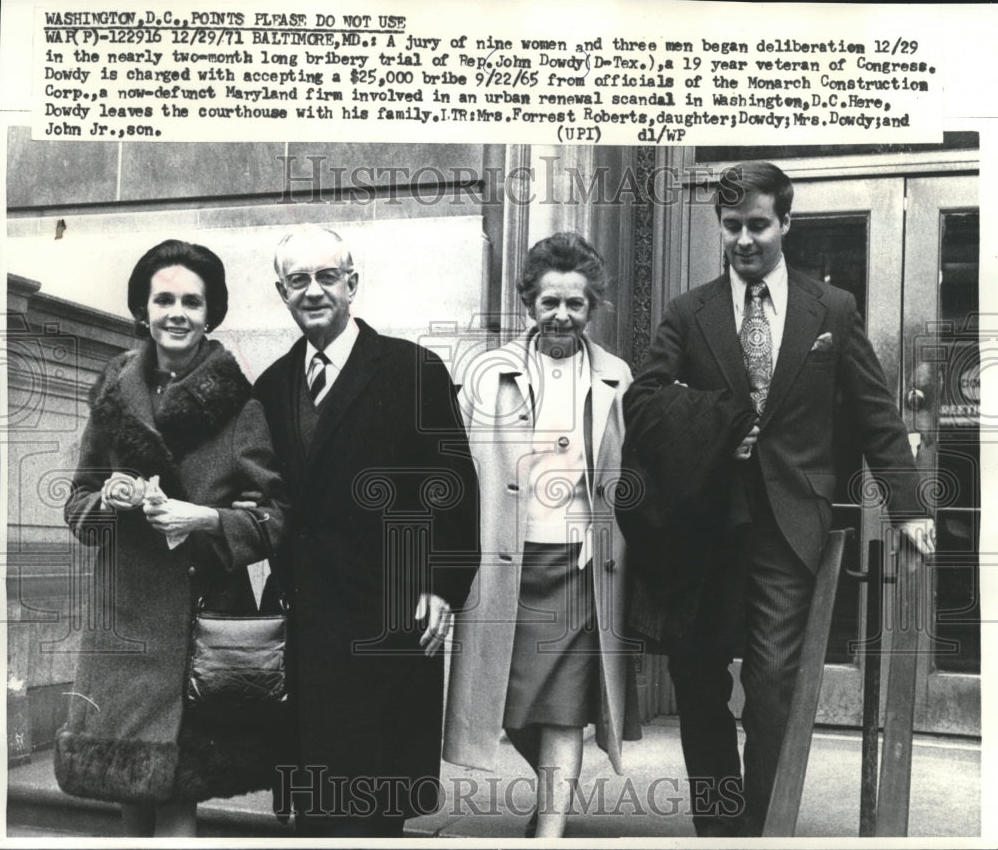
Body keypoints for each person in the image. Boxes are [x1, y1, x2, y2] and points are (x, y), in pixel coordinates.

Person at [623, 161, 935, 836]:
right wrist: (717, 423)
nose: (743, 239)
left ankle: (763, 826)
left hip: (790, 520)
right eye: (731, 226)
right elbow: (642, 403)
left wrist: (909, 507)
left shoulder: (833, 309)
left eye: (757, 225)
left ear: (785, 223)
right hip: (704, 526)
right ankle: (719, 825)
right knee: (698, 680)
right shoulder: (688, 312)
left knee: (773, 688)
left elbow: (878, 414)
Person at [252, 225, 480, 838]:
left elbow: (452, 486)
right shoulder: (272, 386)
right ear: (282, 292)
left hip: (388, 615)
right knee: (314, 802)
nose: (314, 290)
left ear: (353, 283)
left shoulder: (412, 369)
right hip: (303, 618)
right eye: (298, 280)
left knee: (373, 804)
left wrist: (441, 585)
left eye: (328, 276)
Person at [55, 240, 288, 837]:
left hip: (199, 621)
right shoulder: (113, 397)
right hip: (122, 624)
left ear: (211, 313)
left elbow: (276, 518)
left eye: (192, 300)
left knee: (179, 797)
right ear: (143, 309)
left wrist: (203, 518)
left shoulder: (240, 405)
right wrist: (107, 498)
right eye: (164, 299)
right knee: (125, 792)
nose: (176, 312)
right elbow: (77, 502)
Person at [444, 232, 641, 839]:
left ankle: (550, 829)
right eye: (550, 302)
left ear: (592, 308)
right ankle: (551, 797)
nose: (562, 315)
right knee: (504, 697)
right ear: (529, 302)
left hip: (581, 562)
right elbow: (455, 467)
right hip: (503, 559)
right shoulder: (485, 371)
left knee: (564, 706)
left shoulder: (616, 376)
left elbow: (629, 470)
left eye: (575, 305)